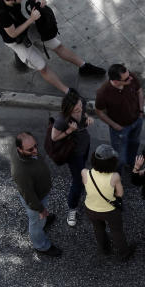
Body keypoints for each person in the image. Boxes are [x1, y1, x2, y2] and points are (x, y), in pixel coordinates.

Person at [0, 0, 105, 94]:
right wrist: (32, 19)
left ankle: (84, 66)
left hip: (28, 29)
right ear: (12, 1)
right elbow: (13, 33)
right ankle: (67, 91)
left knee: (58, 46)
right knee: (42, 66)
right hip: (17, 40)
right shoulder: (2, 15)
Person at [9, 132, 61, 257]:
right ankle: (41, 246)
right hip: (35, 199)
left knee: (39, 219)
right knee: (35, 223)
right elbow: (29, 195)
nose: (35, 150)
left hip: (40, 192)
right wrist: (40, 209)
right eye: (30, 149)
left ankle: (43, 220)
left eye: (35, 146)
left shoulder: (26, 152)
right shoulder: (20, 172)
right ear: (19, 149)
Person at [81, 145, 136, 261]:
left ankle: (104, 249)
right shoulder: (114, 176)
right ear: (112, 162)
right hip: (110, 211)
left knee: (98, 229)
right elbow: (120, 194)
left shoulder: (85, 173)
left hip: (90, 208)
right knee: (116, 231)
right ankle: (124, 253)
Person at [50, 89, 93, 228]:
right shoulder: (62, 120)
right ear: (69, 109)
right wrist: (69, 131)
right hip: (73, 152)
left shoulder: (81, 104)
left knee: (83, 168)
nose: (79, 109)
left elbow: (84, 112)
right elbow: (54, 137)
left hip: (84, 144)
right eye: (76, 109)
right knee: (78, 181)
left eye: (80, 106)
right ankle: (72, 208)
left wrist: (87, 118)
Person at [95, 64, 144, 170]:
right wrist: (114, 125)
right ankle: (117, 178)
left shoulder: (131, 77)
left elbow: (139, 91)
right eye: (126, 79)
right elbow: (99, 112)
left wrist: (141, 112)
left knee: (134, 144)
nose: (130, 78)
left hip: (137, 121)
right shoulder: (103, 93)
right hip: (120, 129)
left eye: (129, 73)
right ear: (116, 81)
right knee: (119, 158)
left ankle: (132, 165)